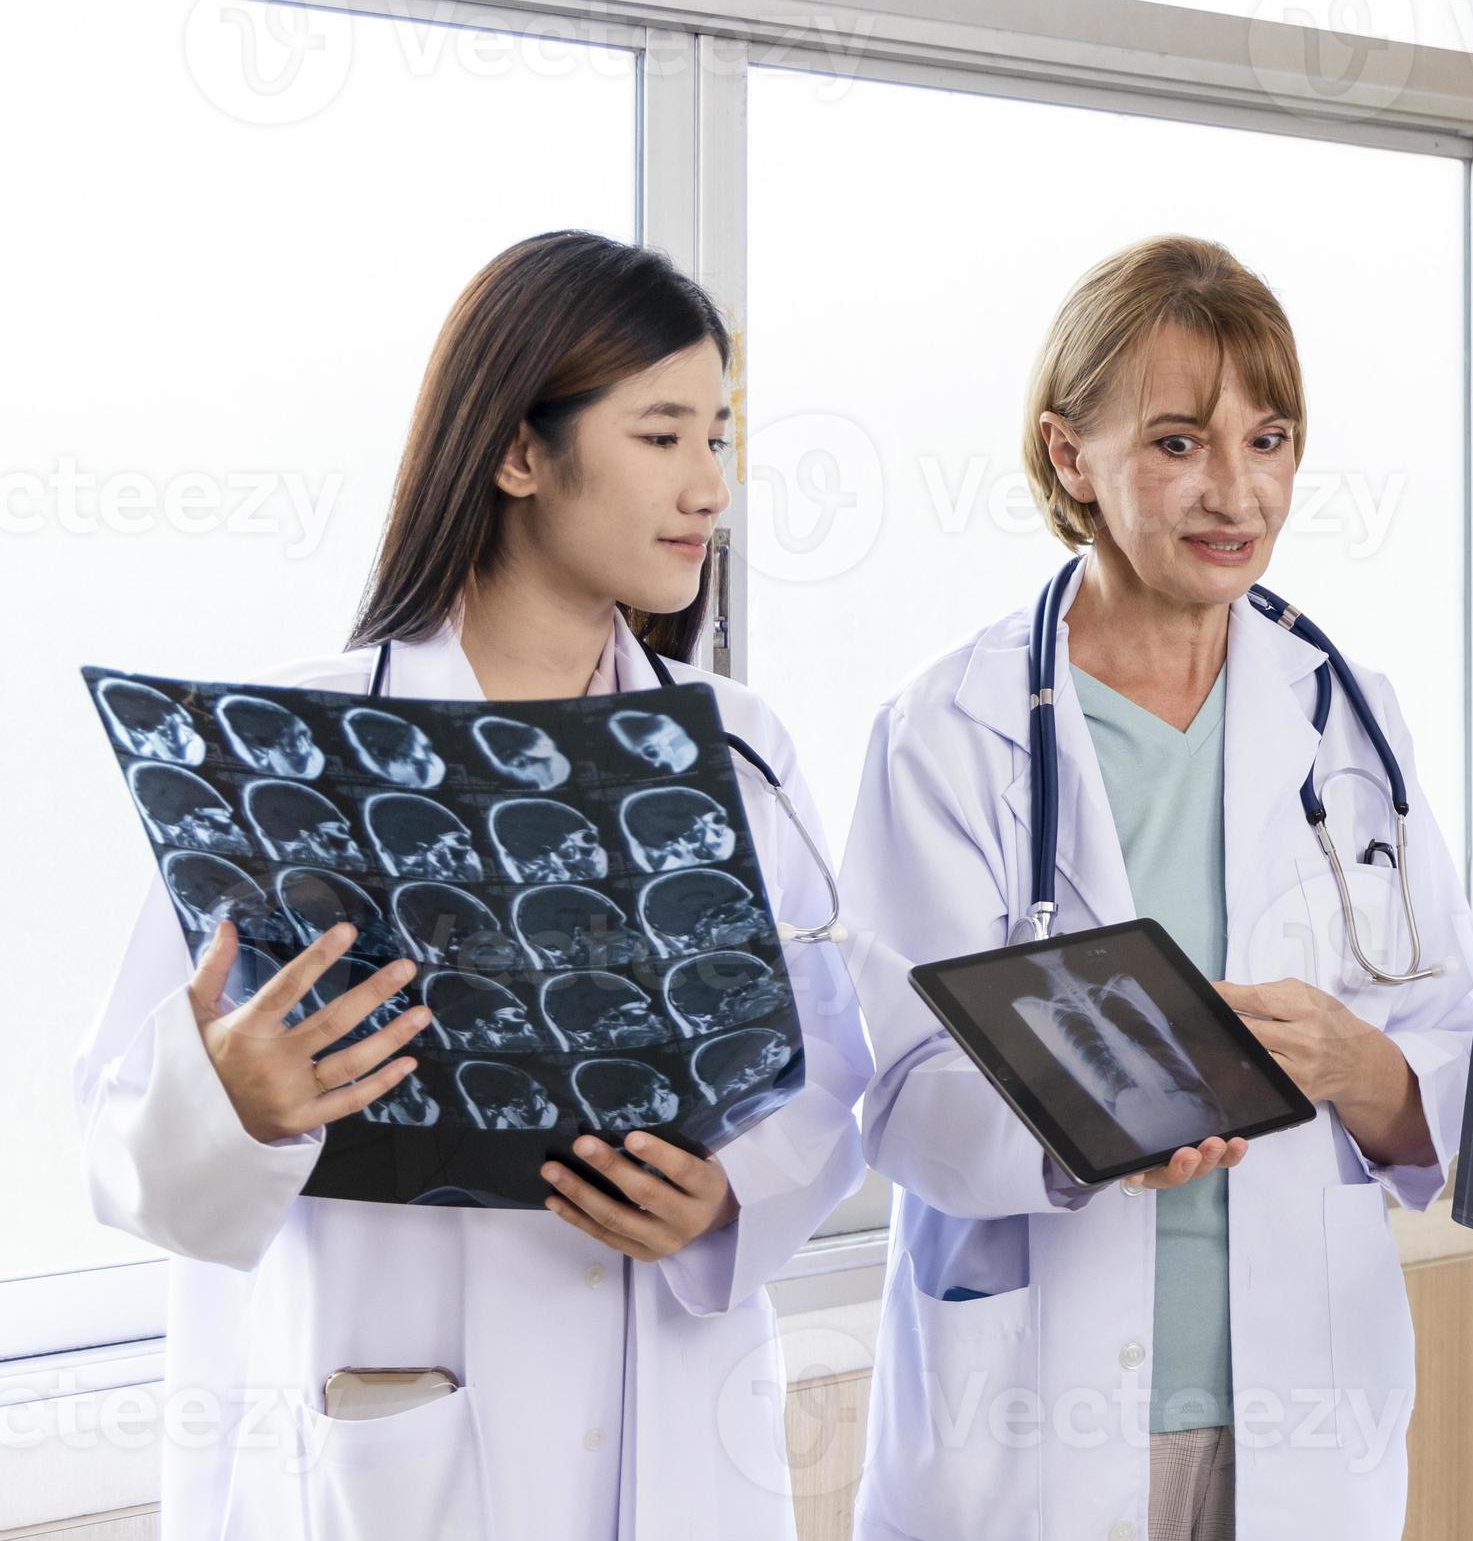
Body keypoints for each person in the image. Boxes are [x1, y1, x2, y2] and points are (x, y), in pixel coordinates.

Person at [71, 231, 872, 1540]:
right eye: (664, 437)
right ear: (517, 454)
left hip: (674, 1425)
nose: (711, 487)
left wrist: (736, 1196)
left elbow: (830, 1062)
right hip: (396, 1430)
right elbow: (118, 1138)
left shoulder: (735, 744)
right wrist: (236, 1102)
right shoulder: (289, 755)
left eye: (720, 438)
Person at [840, 236, 1473, 1541]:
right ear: (1071, 456)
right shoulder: (947, 730)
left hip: (1300, 1398)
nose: (1235, 490)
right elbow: (900, 1097)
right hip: (1036, 1414)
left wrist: (1364, 1068)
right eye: (1179, 442)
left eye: (1270, 438)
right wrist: (1094, 1121)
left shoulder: (1351, 721)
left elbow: (1455, 1046)